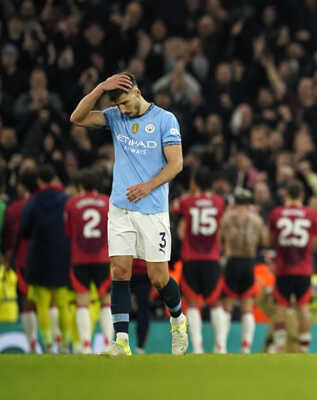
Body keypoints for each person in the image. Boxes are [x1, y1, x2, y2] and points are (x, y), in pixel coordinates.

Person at [70, 72, 188, 356]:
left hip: (153, 210)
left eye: (124, 102)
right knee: (119, 270)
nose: (122, 110)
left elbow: (176, 165)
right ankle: (121, 341)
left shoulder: (164, 120)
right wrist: (100, 88)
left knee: (158, 277)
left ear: (136, 92)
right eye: (118, 105)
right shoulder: (115, 117)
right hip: (120, 208)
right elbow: (77, 118)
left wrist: (148, 186)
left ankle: (178, 320)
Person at [172, 166, 226, 354]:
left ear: (194, 182)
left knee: (192, 302)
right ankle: (220, 346)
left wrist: (192, 193)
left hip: (191, 258)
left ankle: (198, 347)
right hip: (212, 257)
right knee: (216, 302)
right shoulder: (219, 202)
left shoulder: (187, 201)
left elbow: (174, 207)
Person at [20, 164, 73, 353]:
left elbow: (24, 230)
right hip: (63, 257)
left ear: (39, 182)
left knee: (42, 304)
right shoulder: (68, 200)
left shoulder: (33, 201)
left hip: (39, 258)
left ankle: (49, 343)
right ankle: (65, 343)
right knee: (62, 303)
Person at [64, 168, 113, 353]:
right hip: (102, 257)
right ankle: (108, 343)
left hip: (80, 258)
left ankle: (85, 345)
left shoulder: (72, 203)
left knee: (82, 301)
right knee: (106, 301)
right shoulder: (107, 202)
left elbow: (68, 232)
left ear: (80, 186)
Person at [267, 180, 317, 353]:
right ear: (302, 196)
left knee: (281, 306)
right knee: (303, 307)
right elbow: (314, 244)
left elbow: (271, 240)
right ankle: (305, 348)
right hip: (303, 268)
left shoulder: (276, 213)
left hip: (283, 268)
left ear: (285, 195)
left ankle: (279, 345)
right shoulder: (311, 214)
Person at [218, 187, 265, 353]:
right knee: (247, 305)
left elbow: (220, 240)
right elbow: (264, 241)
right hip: (249, 262)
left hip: (232, 260)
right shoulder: (256, 219)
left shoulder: (227, 218)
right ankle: (246, 347)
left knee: (227, 305)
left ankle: (221, 345)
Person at [2, 168, 39, 352]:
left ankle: (33, 343)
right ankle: (54, 342)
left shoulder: (13, 208)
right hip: (49, 259)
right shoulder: (44, 203)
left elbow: (10, 239)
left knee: (27, 301)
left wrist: (8, 262)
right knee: (51, 300)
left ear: (20, 186)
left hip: (24, 260)